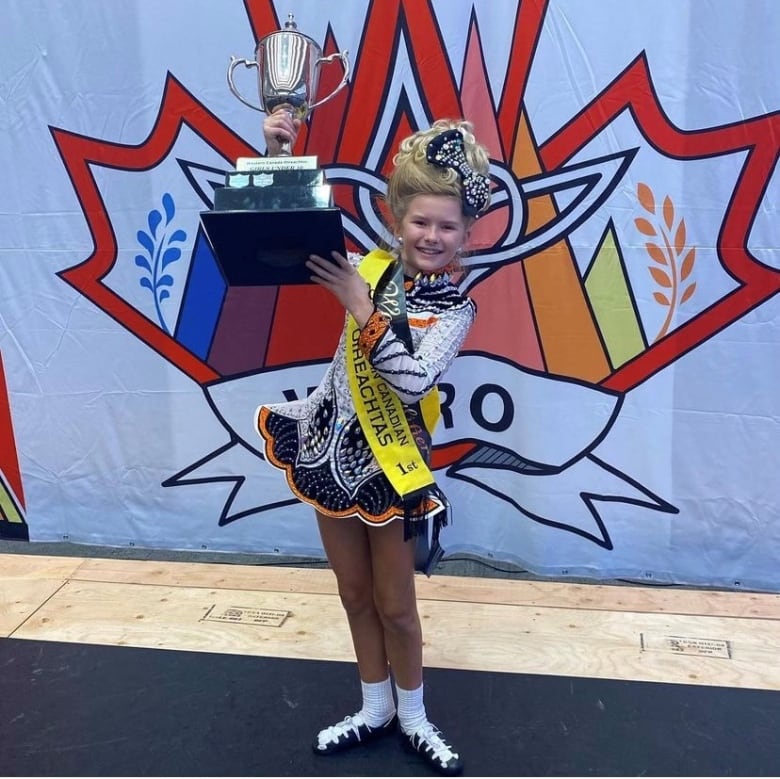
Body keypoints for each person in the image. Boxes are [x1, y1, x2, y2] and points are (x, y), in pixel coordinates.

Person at [255, 110, 491, 776]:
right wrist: (278, 155)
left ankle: (413, 714)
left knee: (397, 606)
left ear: (466, 233)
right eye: (420, 222)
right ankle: (374, 706)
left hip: (391, 466)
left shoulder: (454, 309)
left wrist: (360, 305)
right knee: (353, 594)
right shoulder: (370, 267)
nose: (433, 236)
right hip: (328, 451)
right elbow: (290, 230)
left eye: (447, 226)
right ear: (398, 220)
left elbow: (413, 378)